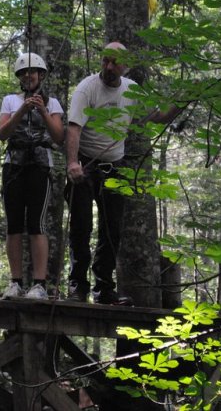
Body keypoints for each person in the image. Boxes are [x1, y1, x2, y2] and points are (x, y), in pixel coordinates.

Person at [65, 42, 180, 305]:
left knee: (111, 229)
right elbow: (73, 128)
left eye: (114, 62)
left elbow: (158, 116)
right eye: (104, 60)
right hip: (85, 164)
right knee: (81, 226)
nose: (107, 67)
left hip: (114, 167)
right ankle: (77, 287)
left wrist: (180, 103)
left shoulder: (132, 91)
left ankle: (104, 289)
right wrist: (72, 163)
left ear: (125, 65)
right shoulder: (87, 88)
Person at [0, 52, 64, 300]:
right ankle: (15, 282)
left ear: (41, 75)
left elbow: (58, 137)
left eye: (33, 72)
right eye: (24, 73)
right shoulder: (9, 101)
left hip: (39, 166)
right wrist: (21, 110)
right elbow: (3, 133)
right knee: (13, 224)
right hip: (13, 166)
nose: (28, 76)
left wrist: (42, 110)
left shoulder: (53, 103)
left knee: (37, 223)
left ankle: (39, 284)